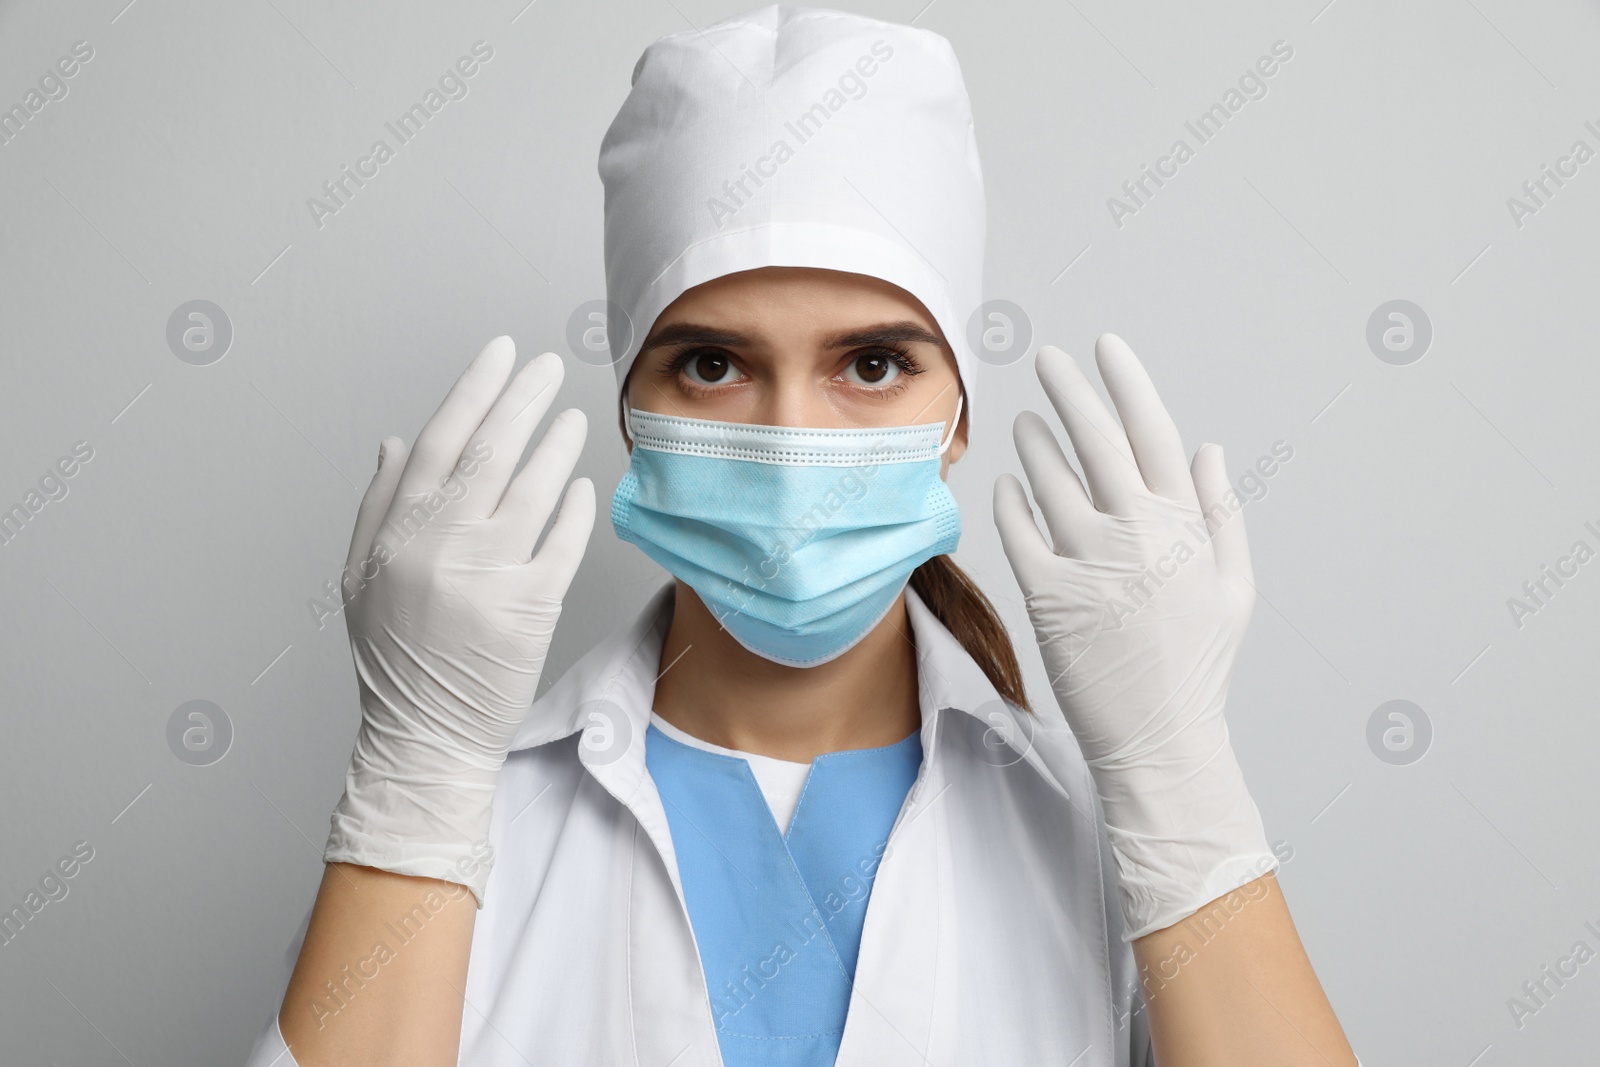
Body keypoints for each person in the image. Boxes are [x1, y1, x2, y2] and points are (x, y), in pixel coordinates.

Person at [245, 6, 1362, 1065]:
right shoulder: (462, 829)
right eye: (712, 364)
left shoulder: (1106, 835)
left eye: (871, 364)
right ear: (633, 413)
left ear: (958, 413)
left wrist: (1181, 781)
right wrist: (415, 775)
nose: (790, 442)